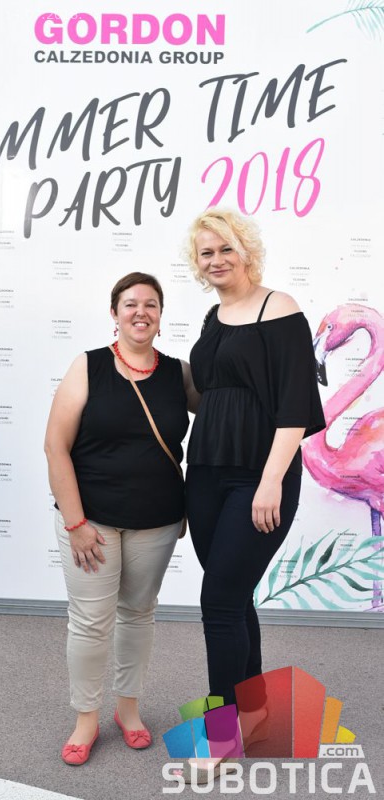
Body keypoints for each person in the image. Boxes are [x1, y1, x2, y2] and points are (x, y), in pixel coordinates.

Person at [182, 208, 325, 780]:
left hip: (259, 477)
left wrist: (270, 481)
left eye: (225, 249)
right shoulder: (213, 317)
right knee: (235, 596)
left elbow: (295, 405)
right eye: (206, 253)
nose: (216, 260)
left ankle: (220, 740)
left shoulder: (279, 309)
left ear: (246, 251)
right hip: (206, 473)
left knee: (218, 602)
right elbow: (210, 395)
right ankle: (256, 711)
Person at [44, 271, 199, 766]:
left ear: (161, 315)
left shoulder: (179, 374)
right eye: (130, 304)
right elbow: (55, 446)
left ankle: (128, 710)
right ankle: (86, 718)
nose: (140, 312)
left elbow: (226, 409)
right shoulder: (88, 366)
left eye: (150, 304)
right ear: (115, 313)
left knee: (138, 614)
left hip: (157, 520)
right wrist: (75, 524)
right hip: (91, 523)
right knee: (91, 622)